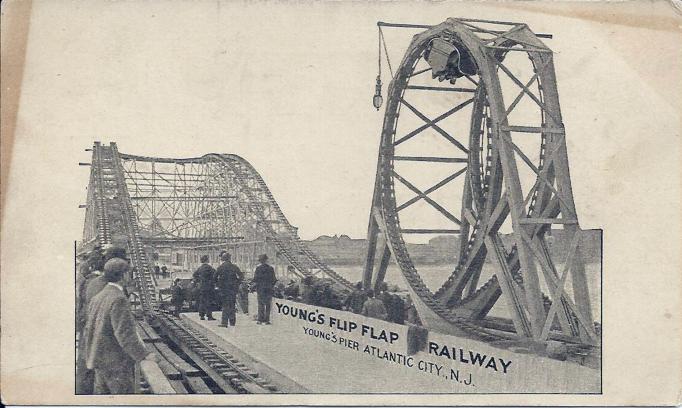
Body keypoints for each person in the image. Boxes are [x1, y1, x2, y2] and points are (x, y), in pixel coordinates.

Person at [83, 258, 158, 394]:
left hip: (98, 360)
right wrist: (144, 355)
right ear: (123, 275)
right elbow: (124, 334)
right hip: (115, 364)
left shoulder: (99, 296)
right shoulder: (119, 298)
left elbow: (90, 328)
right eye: (129, 273)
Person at [76, 255, 107, 394]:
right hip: (96, 329)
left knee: (85, 364)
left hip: (86, 325)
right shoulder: (99, 283)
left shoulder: (86, 280)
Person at [214, 252, 243, 327]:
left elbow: (214, 277)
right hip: (232, 289)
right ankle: (232, 322)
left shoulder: (221, 267)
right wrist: (237, 283)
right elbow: (241, 276)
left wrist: (218, 284)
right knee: (232, 305)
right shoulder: (234, 267)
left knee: (225, 305)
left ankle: (224, 322)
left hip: (223, 290)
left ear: (223, 259)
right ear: (229, 258)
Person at [253, 254, 277, 324]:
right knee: (268, 305)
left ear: (260, 261)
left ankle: (260, 319)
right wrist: (271, 286)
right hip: (269, 289)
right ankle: (267, 320)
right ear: (266, 260)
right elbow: (274, 279)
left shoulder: (258, 268)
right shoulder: (271, 268)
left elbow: (255, 279)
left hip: (260, 289)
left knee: (261, 304)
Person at [192, 255, 216, 320]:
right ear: (206, 260)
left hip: (202, 287)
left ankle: (202, 316)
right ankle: (209, 316)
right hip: (209, 287)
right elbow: (215, 275)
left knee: (202, 301)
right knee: (209, 301)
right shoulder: (210, 268)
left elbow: (194, 275)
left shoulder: (200, 268)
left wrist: (199, 280)